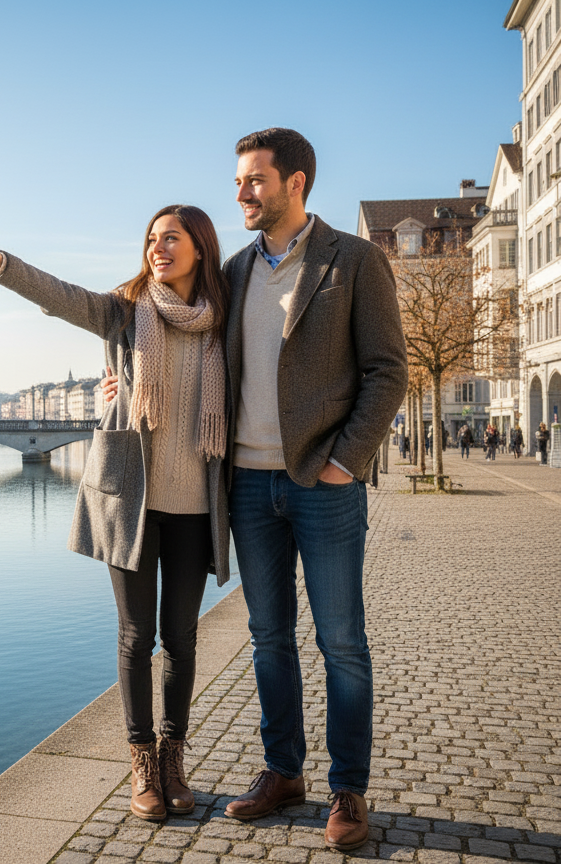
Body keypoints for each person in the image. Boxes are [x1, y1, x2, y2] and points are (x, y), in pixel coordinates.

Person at [0, 204, 232, 823]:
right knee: (135, 637)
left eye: (171, 238)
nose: (158, 247)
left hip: (195, 501)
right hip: (129, 497)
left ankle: (175, 757)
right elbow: (59, 296)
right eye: (151, 238)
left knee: (181, 637)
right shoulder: (126, 313)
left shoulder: (223, 322)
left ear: (200, 247)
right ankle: (142, 763)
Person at [220, 127, 406, 851]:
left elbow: (388, 371)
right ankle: (282, 772)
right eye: (238, 180)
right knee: (269, 638)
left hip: (323, 485)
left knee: (342, 642)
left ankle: (349, 790)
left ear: (295, 183)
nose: (240, 192)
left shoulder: (353, 259)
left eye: (254, 180)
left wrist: (345, 462)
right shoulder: (233, 271)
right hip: (247, 484)